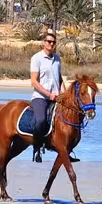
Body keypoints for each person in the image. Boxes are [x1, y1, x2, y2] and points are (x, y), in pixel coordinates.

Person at [29, 31, 65, 163]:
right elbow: (34, 81)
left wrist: (64, 94)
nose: (51, 44)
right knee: (41, 120)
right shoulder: (36, 58)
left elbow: (59, 79)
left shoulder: (57, 59)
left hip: (56, 97)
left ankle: (66, 149)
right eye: (49, 41)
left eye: (53, 42)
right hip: (40, 97)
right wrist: (48, 94)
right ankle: (37, 147)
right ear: (44, 43)